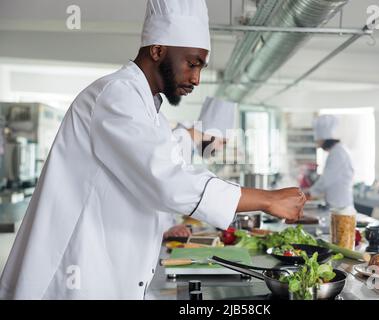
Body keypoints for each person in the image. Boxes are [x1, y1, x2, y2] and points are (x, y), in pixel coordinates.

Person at [0, 0, 306, 299]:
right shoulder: (116, 94)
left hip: (109, 272)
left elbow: (144, 182)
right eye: (192, 63)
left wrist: (162, 227)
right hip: (71, 277)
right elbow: (166, 179)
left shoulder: (152, 112)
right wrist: (266, 199)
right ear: (157, 50)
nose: (197, 78)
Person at [163, 96, 237, 239]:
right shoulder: (178, 141)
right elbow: (165, 190)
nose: (219, 149)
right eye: (222, 142)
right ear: (212, 132)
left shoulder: (185, 143)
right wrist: (166, 228)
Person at [307, 115, 354, 209]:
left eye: (318, 142)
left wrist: (309, 193)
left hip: (340, 207)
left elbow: (326, 179)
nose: (318, 146)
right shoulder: (337, 150)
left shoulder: (337, 153)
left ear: (325, 140)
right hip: (337, 205)